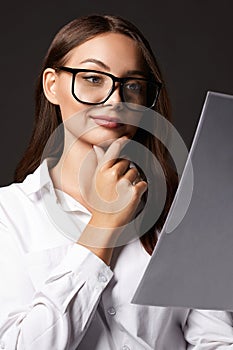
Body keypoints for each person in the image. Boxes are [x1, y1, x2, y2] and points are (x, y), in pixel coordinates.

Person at [0, 14, 233, 350]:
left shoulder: (179, 213)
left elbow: (215, 341)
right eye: (93, 78)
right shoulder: (9, 215)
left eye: (133, 85)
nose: (115, 101)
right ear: (52, 85)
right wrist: (104, 224)